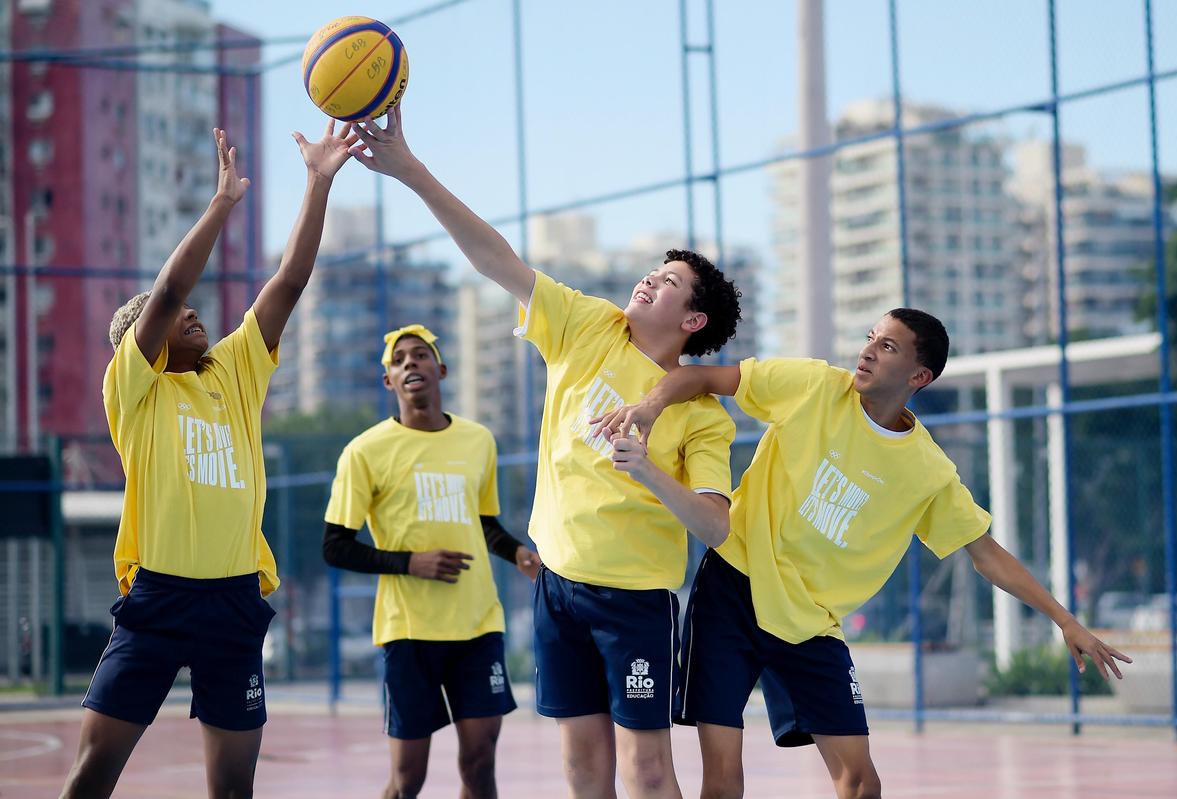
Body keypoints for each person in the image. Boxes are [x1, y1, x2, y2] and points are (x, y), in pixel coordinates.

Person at [347, 107, 742, 799]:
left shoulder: (701, 415)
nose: (650, 278)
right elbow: (496, 257)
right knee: (580, 766)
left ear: (692, 319)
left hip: (635, 602)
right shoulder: (589, 324)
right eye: (654, 269)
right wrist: (410, 170)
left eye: (670, 280)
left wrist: (647, 467)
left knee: (646, 769)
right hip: (558, 589)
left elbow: (714, 525)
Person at [592, 308, 1134, 799]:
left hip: (809, 621)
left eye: (889, 346)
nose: (868, 350)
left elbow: (986, 553)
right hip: (732, 585)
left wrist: (1065, 620)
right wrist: (651, 403)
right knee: (724, 777)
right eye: (870, 338)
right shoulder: (814, 385)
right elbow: (704, 377)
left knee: (860, 781)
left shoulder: (926, 471)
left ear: (919, 377)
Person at [61, 122, 357, 799]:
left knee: (232, 789)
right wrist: (222, 203)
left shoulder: (234, 369)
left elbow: (289, 279)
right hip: (158, 596)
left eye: (195, 310)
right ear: (144, 341)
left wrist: (318, 181)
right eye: (176, 315)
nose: (190, 315)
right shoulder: (135, 391)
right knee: (90, 775)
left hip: (232, 599)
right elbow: (164, 293)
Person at [323, 324, 541, 799]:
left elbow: (483, 523)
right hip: (409, 630)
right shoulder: (364, 452)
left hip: (478, 624)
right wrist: (409, 562)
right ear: (389, 382)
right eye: (398, 360)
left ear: (439, 369)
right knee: (408, 781)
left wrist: (519, 552)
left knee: (480, 764)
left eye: (420, 355)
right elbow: (335, 545)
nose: (409, 363)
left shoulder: (478, 440)